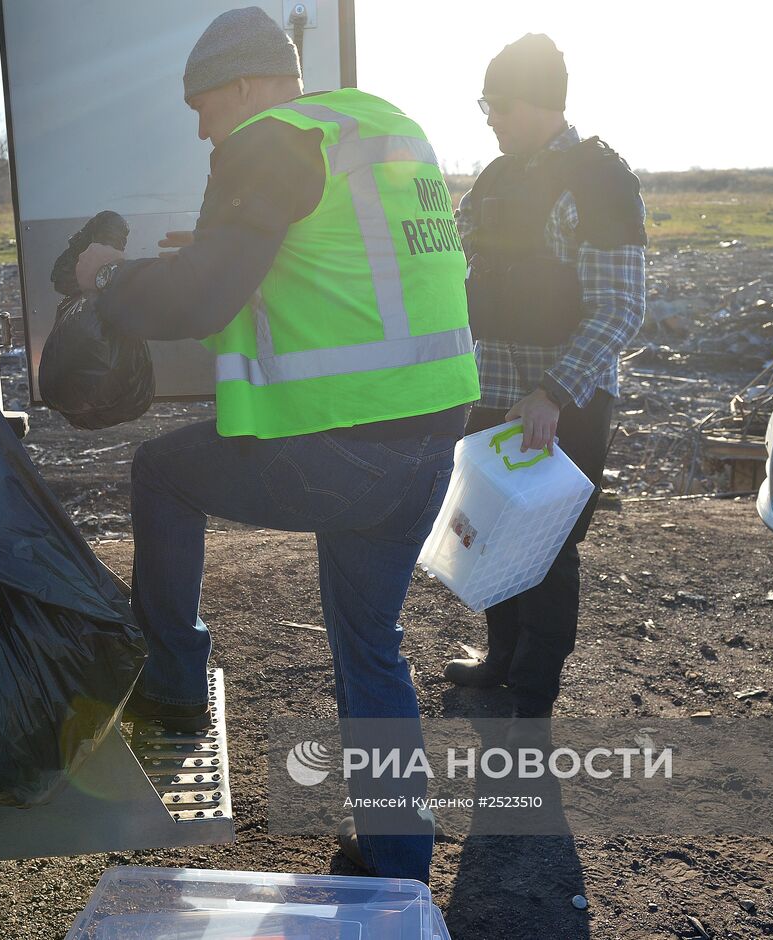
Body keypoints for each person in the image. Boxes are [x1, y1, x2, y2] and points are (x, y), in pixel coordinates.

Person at [73, 7, 479, 884]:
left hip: (348, 452)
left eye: (203, 104)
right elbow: (340, 260)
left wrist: (107, 279)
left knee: (163, 473)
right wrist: (211, 252)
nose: (200, 125)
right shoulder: (379, 125)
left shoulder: (267, 140)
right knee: (372, 649)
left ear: (249, 86)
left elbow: (199, 303)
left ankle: (175, 681)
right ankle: (399, 866)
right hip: (428, 441)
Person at [442, 34, 646, 721]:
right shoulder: (497, 179)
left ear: (534, 104)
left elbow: (623, 306)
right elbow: (450, 258)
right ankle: (499, 659)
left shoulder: (599, 179)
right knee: (490, 529)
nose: (489, 119)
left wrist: (552, 392)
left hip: (565, 399)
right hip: (494, 388)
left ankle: (532, 692)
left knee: (548, 544)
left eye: (495, 105)